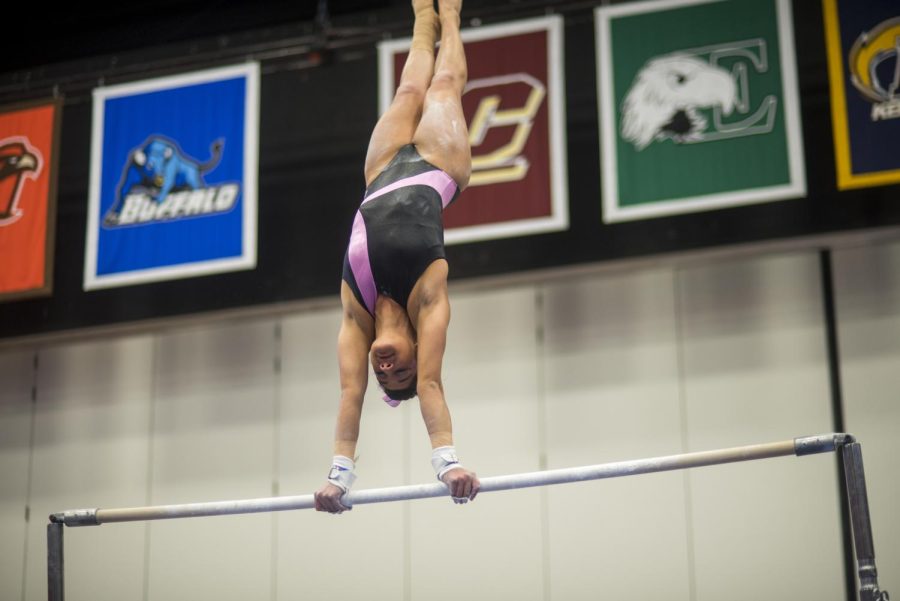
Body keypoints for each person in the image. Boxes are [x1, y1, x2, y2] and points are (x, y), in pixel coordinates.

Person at [314, 0, 480, 514]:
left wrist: (339, 477)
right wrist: (447, 463)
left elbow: (348, 396)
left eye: (384, 378)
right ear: (414, 350)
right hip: (438, 167)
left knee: (409, 89)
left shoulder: (355, 314)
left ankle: (420, 24)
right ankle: (449, 17)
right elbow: (431, 384)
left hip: (380, 172)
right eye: (399, 374)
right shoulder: (429, 305)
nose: (387, 371)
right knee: (444, 86)